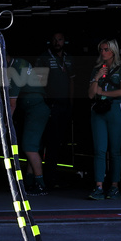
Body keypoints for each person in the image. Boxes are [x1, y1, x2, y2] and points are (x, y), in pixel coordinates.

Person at [87, 38, 121, 200]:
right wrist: (97, 77)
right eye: (101, 49)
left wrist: (103, 93)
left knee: (115, 151)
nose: (103, 52)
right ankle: (99, 187)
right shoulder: (97, 69)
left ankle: (114, 186)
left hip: (116, 109)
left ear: (113, 51)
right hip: (99, 111)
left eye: (106, 49)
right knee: (99, 150)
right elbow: (90, 95)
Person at [8, 55, 51, 195]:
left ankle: (40, 184)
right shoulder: (22, 63)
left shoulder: (15, 70)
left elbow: (11, 104)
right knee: (32, 147)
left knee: (29, 147)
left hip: (36, 110)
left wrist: (5, 125)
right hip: (36, 109)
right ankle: (30, 183)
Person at [41, 31, 74, 187]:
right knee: (48, 142)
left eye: (60, 39)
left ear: (64, 41)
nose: (57, 42)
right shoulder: (44, 58)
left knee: (59, 142)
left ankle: (53, 176)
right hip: (49, 105)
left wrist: (71, 103)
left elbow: (72, 82)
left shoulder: (69, 58)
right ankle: (46, 177)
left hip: (64, 106)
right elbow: (38, 81)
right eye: (54, 40)